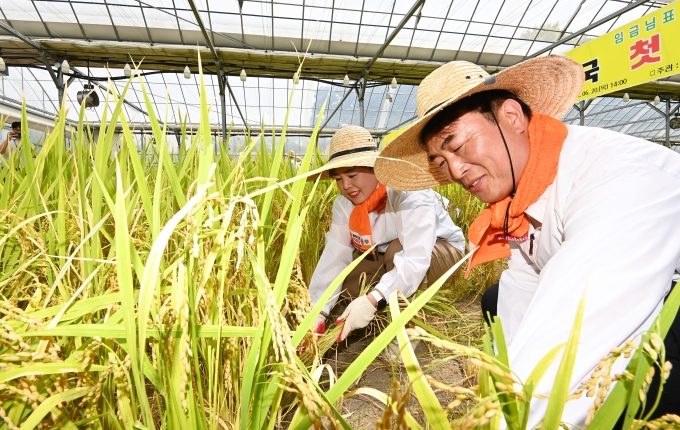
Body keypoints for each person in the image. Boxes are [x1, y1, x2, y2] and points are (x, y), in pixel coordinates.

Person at [374, 56, 680, 427]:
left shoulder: (617, 177)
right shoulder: (519, 199)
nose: (454, 171)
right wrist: (506, 390)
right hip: (608, 290)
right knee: (497, 300)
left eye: (456, 144)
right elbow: (523, 286)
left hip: (664, 299)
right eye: (440, 160)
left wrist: (514, 420)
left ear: (512, 117)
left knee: (645, 368)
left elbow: (578, 323)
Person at [309, 125, 466, 342]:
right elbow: (336, 255)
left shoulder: (407, 191)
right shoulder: (344, 204)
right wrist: (318, 311)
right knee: (351, 284)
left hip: (440, 250)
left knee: (396, 251)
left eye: (352, 175)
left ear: (375, 168)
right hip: (386, 254)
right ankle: (386, 301)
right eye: (337, 178)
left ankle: (404, 330)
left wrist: (373, 299)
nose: (345, 185)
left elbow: (415, 256)